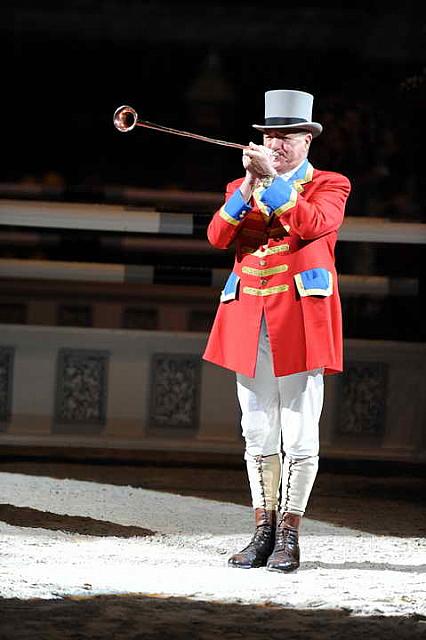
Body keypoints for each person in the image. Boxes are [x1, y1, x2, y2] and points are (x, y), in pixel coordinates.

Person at [203, 89, 351, 573]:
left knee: (301, 431)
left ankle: (290, 534)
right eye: (269, 135)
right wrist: (249, 186)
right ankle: (262, 531)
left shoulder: (331, 184)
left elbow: (311, 226)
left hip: (302, 319)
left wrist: (271, 184)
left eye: (286, 135)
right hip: (249, 316)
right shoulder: (239, 186)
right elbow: (218, 236)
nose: (276, 142)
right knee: (257, 428)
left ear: (307, 139)